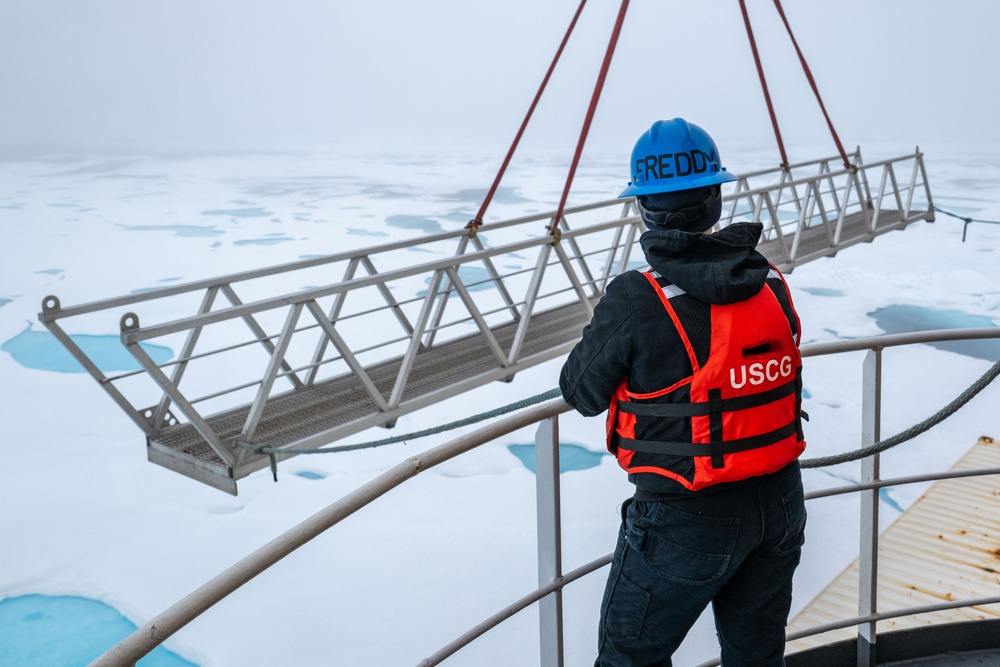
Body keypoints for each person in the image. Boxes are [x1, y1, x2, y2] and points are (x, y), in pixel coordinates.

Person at [559, 118, 807, 666]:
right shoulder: (770, 282)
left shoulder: (635, 298)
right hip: (781, 501)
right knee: (757, 655)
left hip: (684, 517)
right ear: (716, 199)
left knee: (631, 659)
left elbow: (580, 391)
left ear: (643, 208)